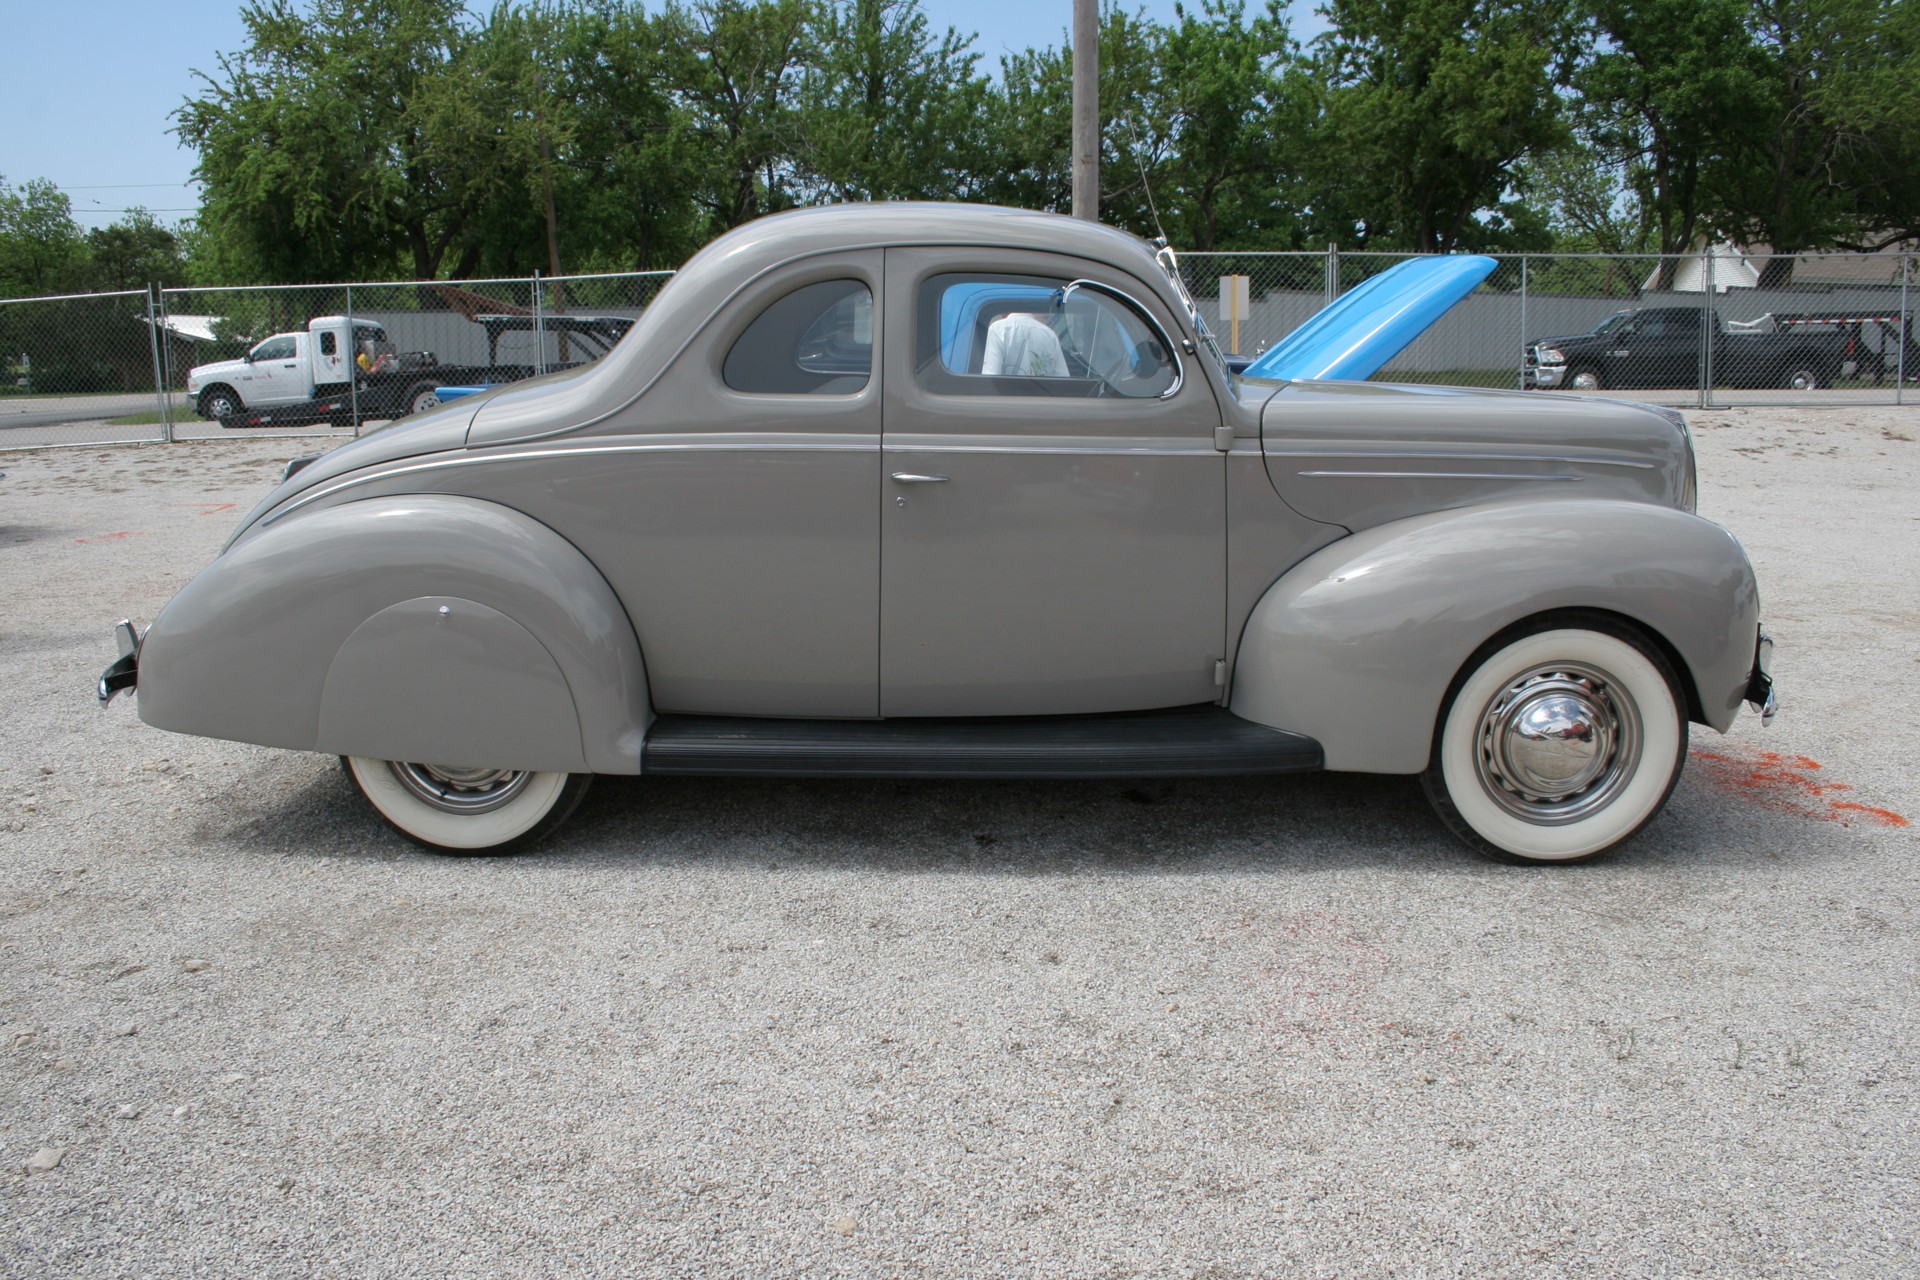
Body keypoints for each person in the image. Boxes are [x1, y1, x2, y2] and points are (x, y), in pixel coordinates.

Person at [981, 311, 1067, 377]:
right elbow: (1064, 380)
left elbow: (990, 378)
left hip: (1007, 398)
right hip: (1044, 398)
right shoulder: (1050, 334)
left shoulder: (998, 329)